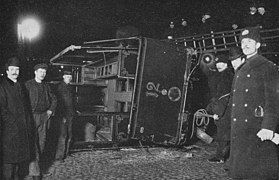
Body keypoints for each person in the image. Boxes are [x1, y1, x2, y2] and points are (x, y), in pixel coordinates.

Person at [229, 27, 279, 179]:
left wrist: (268, 127)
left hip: (256, 129)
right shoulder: (241, 68)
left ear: (258, 45)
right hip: (240, 130)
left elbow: (273, 99)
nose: (246, 45)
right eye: (243, 42)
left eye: (250, 41)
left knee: (258, 173)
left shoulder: (267, 66)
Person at [0, 57, 33, 179]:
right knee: (8, 165)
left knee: (19, 165)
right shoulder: (2, 86)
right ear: (7, 71)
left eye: (17, 69)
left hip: (21, 132)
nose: (15, 72)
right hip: (8, 133)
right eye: (12, 69)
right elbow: (2, 110)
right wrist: (13, 124)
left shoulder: (21, 86)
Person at [25, 63, 57, 179]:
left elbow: (54, 99)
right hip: (32, 117)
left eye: (44, 72)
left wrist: (50, 110)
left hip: (44, 117)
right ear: (35, 72)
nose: (43, 74)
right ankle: (36, 173)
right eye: (40, 71)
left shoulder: (47, 86)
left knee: (41, 144)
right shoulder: (28, 85)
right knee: (33, 145)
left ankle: (36, 169)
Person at [205, 54, 234, 163]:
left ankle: (220, 157)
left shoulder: (227, 76)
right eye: (216, 63)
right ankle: (222, 156)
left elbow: (224, 97)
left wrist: (218, 112)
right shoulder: (221, 75)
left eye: (220, 63)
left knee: (223, 134)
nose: (218, 65)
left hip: (225, 110)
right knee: (223, 133)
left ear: (226, 64)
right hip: (221, 108)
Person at [55, 71, 75, 161]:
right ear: (63, 76)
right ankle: (59, 156)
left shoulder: (70, 87)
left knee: (69, 134)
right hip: (63, 115)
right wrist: (62, 116)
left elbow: (72, 101)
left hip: (70, 114)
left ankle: (66, 153)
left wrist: (75, 110)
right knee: (63, 135)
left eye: (70, 76)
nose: (69, 78)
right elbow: (59, 103)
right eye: (67, 76)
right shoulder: (60, 87)